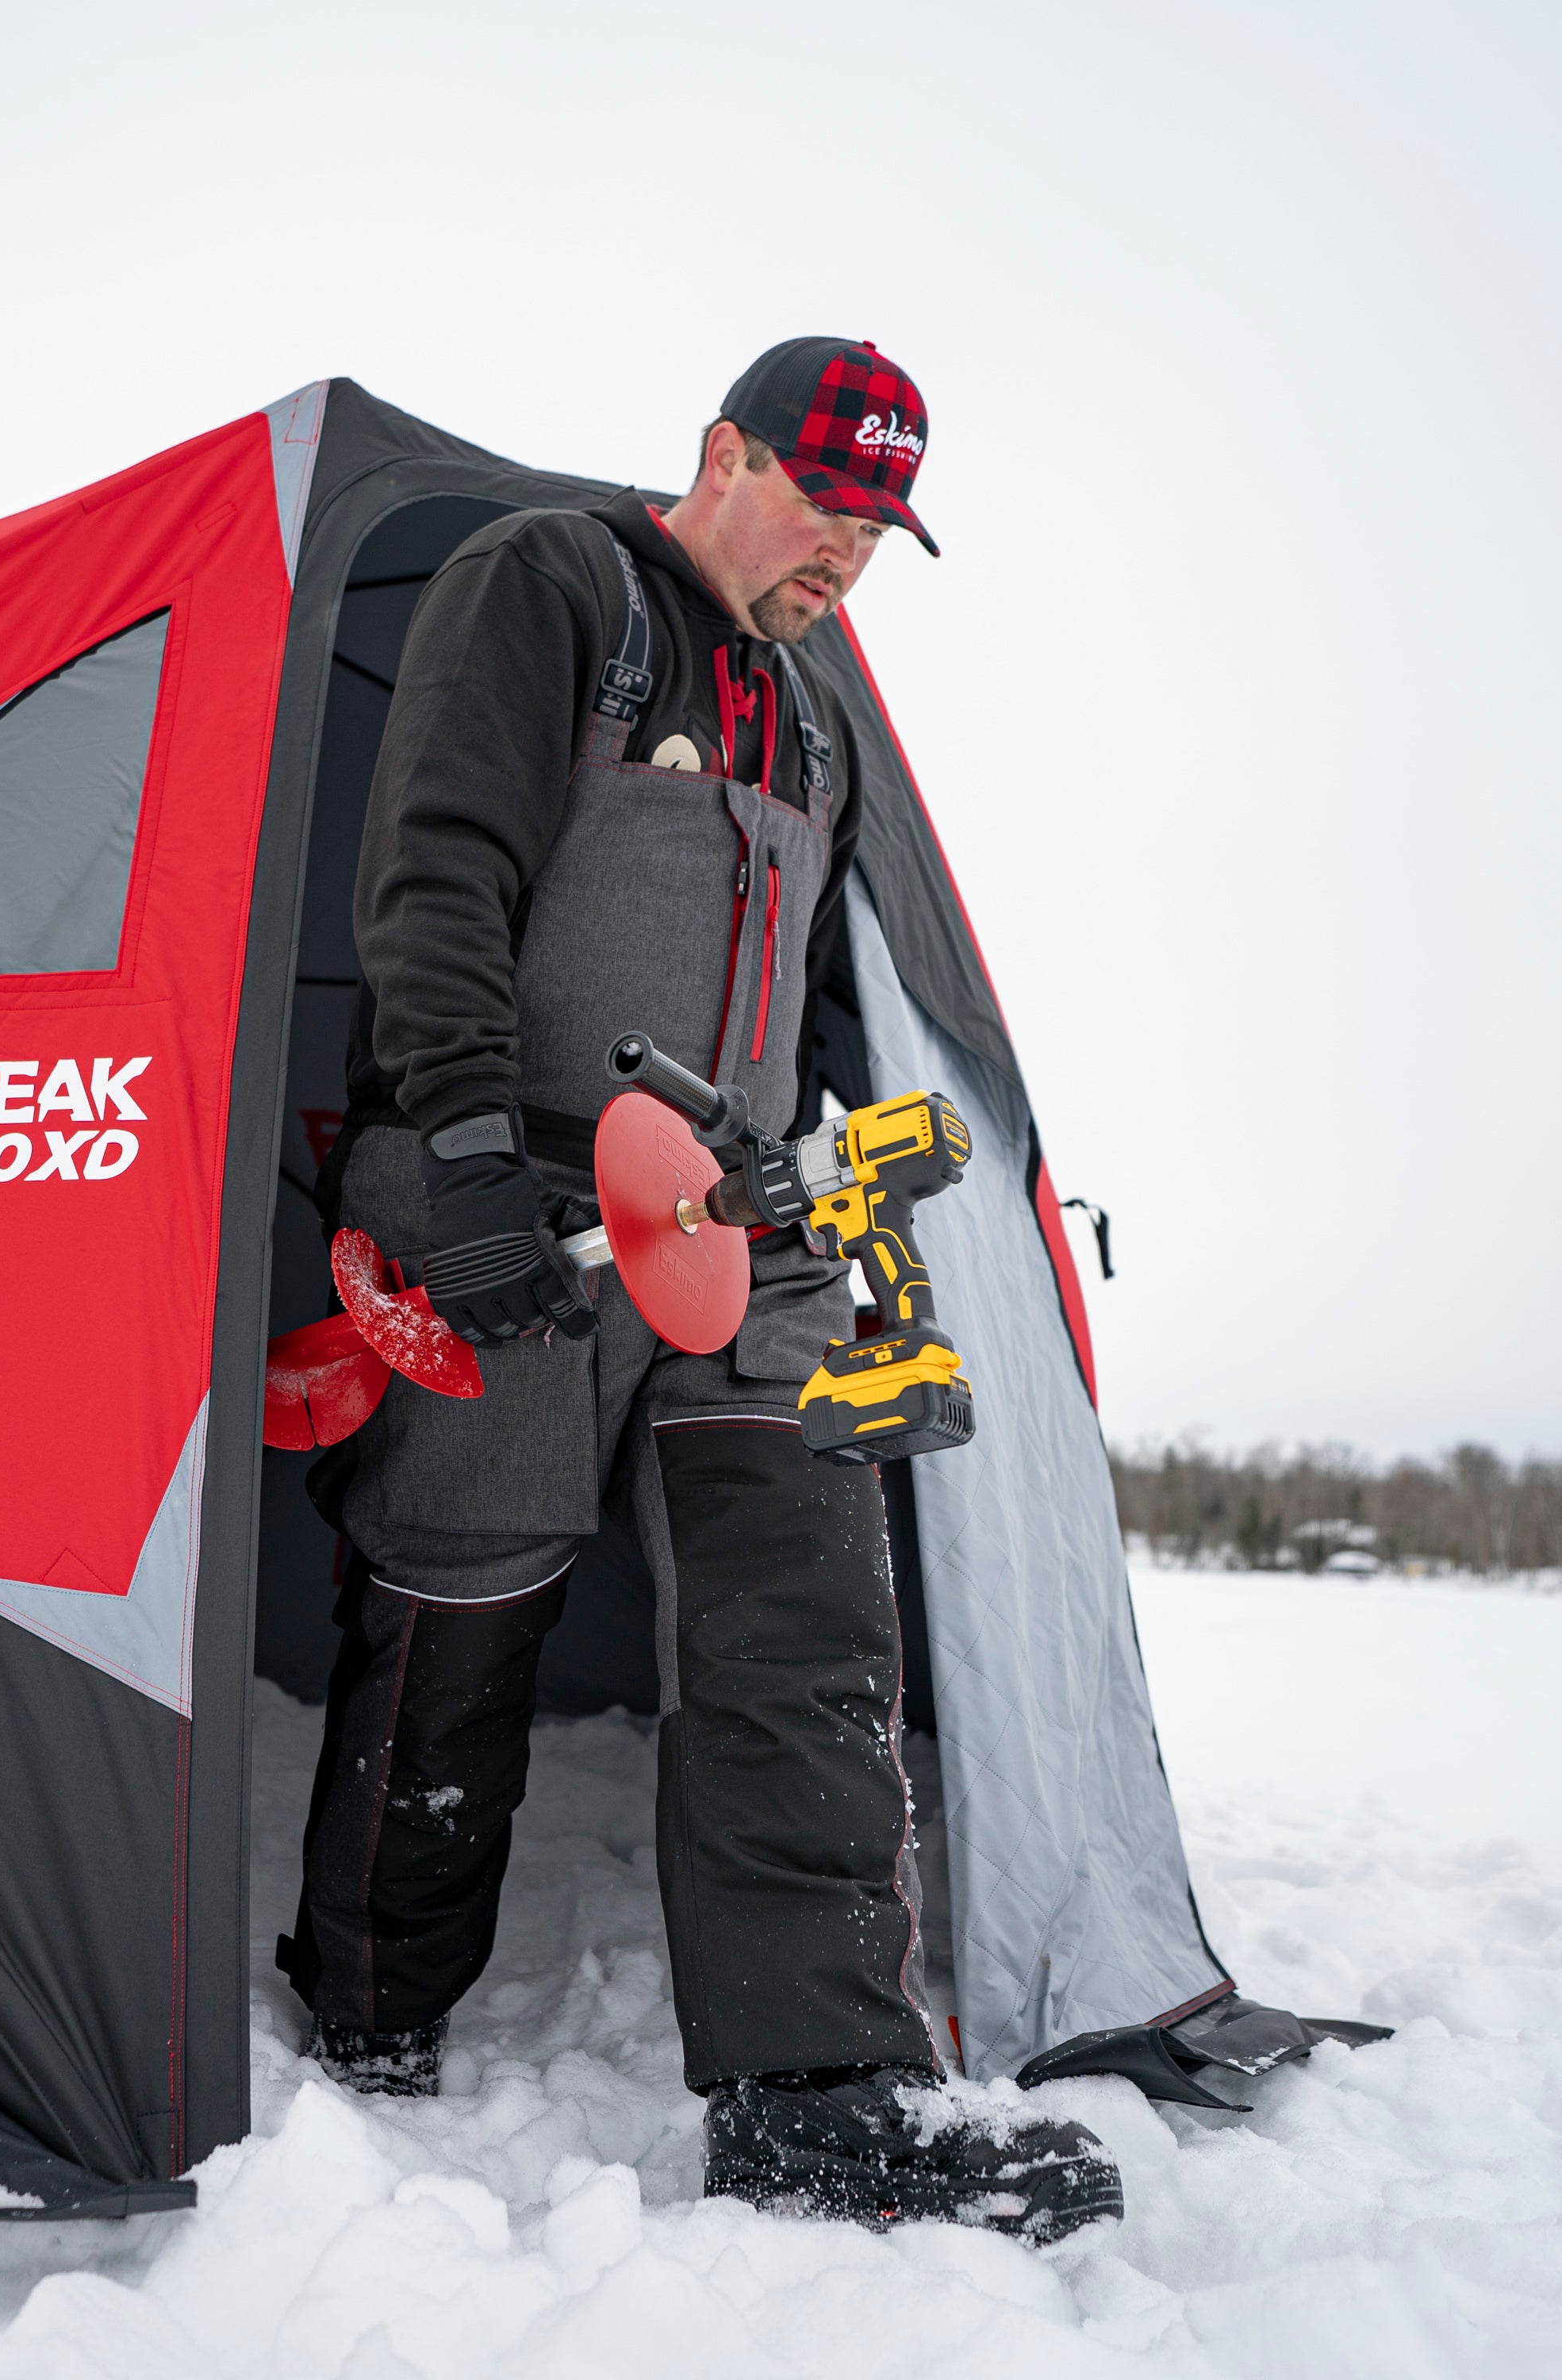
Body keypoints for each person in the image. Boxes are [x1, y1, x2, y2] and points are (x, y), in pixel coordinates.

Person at [278, 338, 1123, 2238]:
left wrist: (850, 1182)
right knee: (457, 1595)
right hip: (518, 1184)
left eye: (881, 529)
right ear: (724, 451)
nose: (850, 556)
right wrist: (478, 1153)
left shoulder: (814, 715)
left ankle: (821, 2101)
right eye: (829, 504)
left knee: (803, 1611)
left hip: (734, 1222)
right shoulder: (557, 586)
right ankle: (373, 2015)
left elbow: (825, 998)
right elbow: (437, 866)